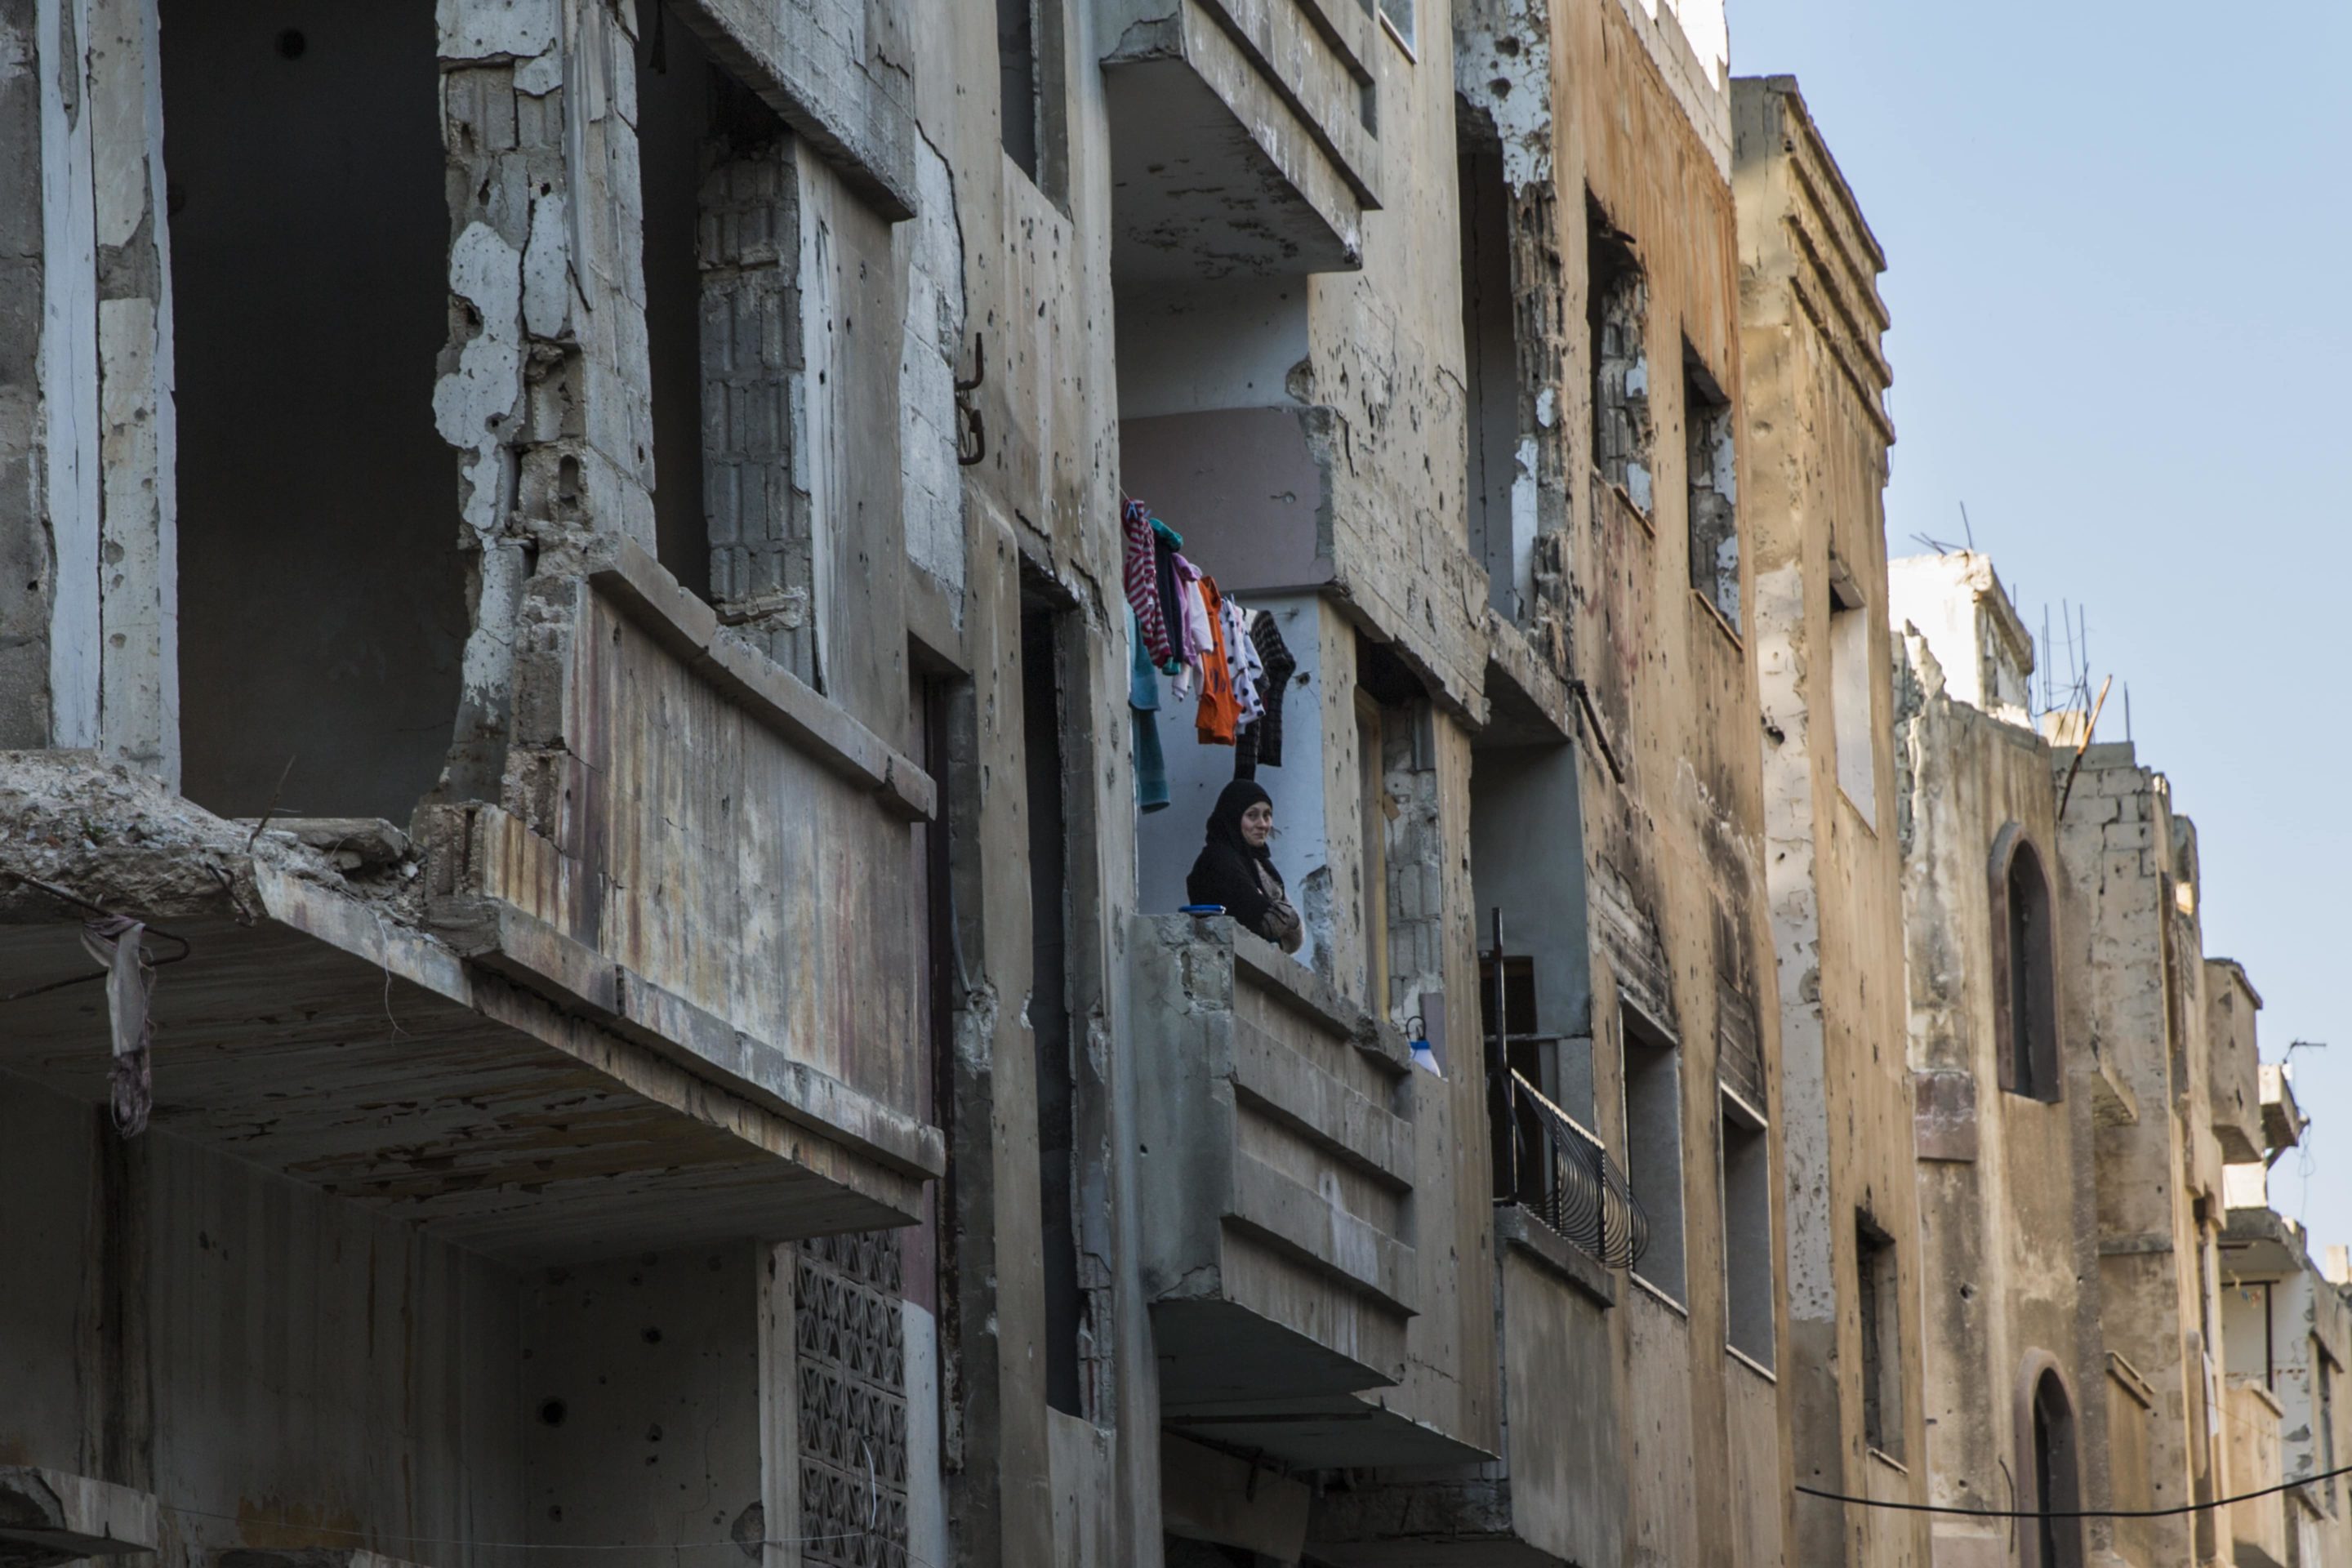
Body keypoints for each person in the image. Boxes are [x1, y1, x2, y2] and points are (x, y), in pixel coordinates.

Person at [1187, 780, 1304, 953]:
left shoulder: (1260, 864)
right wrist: (1287, 918)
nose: (1263, 824)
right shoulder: (1219, 860)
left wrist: (1283, 917)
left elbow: (1295, 936)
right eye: (1252, 815)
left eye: (1267, 815)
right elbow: (1270, 922)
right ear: (1233, 817)